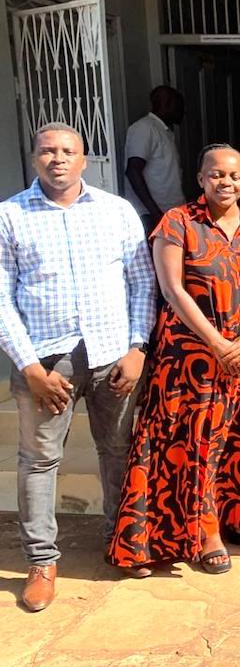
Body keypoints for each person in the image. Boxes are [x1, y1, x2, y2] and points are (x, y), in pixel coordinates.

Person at [107, 144, 240, 576]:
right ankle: (205, 530)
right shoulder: (179, 222)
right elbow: (173, 290)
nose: (225, 183)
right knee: (196, 443)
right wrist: (216, 342)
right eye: (216, 174)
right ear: (200, 178)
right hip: (192, 357)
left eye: (234, 176)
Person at [0, 123, 155, 611]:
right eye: (48, 150)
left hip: (113, 354)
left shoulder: (116, 211)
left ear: (84, 160)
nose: (58, 159)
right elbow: (1, 298)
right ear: (34, 158)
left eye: (68, 151)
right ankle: (42, 561)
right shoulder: (10, 216)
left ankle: (121, 540)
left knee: (118, 448)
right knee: (40, 461)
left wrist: (138, 348)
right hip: (47, 361)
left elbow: (142, 283)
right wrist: (28, 367)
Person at [125, 86, 185, 235]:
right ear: (166, 105)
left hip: (169, 212)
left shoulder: (164, 130)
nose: (182, 112)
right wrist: (155, 214)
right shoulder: (145, 128)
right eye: (179, 106)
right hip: (152, 215)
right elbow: (133, 171)